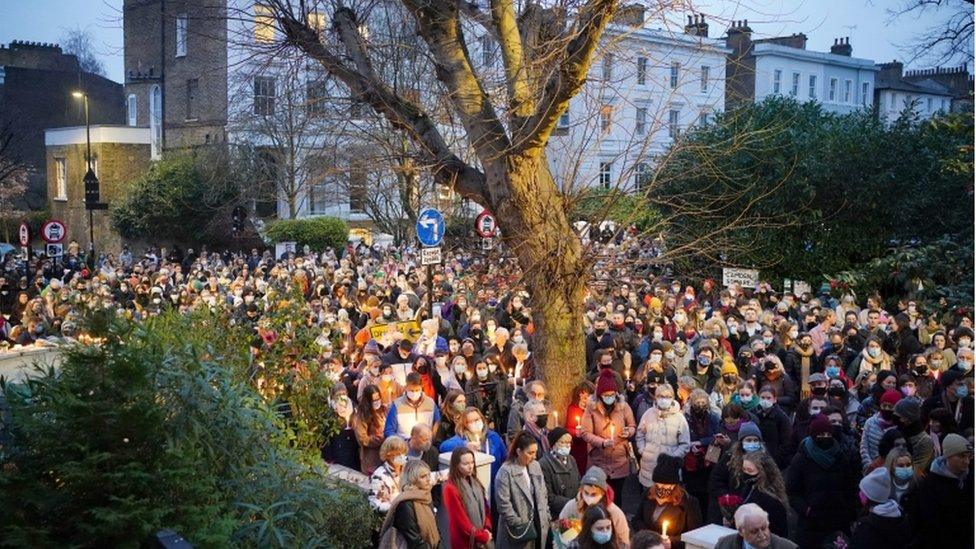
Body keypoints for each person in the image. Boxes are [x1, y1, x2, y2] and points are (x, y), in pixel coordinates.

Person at [785, 414, 858, 548]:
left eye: (827, 433)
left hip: (838, 521)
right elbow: (792, 492)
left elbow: (849, 487)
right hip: (811, 524)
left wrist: (850, 512)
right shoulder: (801, 459)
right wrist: (806, 510)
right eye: (820, 434)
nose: (825, 437)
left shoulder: (840, 456)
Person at [903, 433, 973, 549]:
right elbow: (929, 525)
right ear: (948, 456)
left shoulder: (968, 480)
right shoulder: (930, 486)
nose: (966, 461)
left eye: (969, 456)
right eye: (961, 456)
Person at [581, 369, 637, 507]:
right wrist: (602, 442)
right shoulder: (591, 408)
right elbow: (585, 433)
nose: (609, 398)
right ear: (600, 395)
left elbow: (632, 425)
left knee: (617, 496)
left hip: (619, 460)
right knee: (600, 496)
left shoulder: (624, 407)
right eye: (606, 395)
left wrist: (628, 432)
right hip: (599, 459)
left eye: (612, 395)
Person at [494, 431, 550, 549]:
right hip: (518, 530)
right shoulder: (506, 471)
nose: (534, 456)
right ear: (519, 451)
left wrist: (546, 515)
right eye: (530, 453)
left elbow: (543, 493)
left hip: (538, 521)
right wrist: (518, 523)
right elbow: (503, 504)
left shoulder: (535, 465)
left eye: (535, 452)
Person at [634, 455, 701, 548]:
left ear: (674, 486)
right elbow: (637, 520)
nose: (661, 489)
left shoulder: (689, 503)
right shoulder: (648, 494)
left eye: (666, 486)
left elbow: (694, 535)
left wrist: (672, 542)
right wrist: (650, 537)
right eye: (658, 485)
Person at [558, 466, 631, 548]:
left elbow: (624, 541)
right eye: (586, 493)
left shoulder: (614, 512)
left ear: (602, 493)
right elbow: (560, 535)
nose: (589, 497)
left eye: (594, 494)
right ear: (581, 490)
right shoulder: (571, 507)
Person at [636, 383, 690, 490]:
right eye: (661, 396)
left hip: (669, 471)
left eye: (668, 397)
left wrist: (672, 458)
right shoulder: (648, 414)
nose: (664, 399)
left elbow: (685, 444)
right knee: (649, 502)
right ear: (656, 397)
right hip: (648, 468)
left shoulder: (679, 418)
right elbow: (640, 434)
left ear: (673, 398)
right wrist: (643, 450)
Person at [378, 459, 442, 548]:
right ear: (413, 480)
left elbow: (436, 527)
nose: (428, 479)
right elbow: (413, 539)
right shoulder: (405, 503)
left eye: (428, 475)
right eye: (423, 476)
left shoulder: (426, 496)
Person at [443, 446, 494, 549]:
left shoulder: (474, 481)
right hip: (465, 541)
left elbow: (485, 507)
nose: (470, 466)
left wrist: (487, 527)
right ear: (456, 465)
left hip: (483, 534)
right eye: (465, 464)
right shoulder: (450, 488)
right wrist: (481, 535)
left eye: (472, 462)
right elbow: (460, 520)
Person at [439, 406, 507, 483]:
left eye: (477, 419)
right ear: (465, 424)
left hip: (493, 481)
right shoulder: (462, 438)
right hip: (472, 481)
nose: (476, 423)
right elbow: (443, 446)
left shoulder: (493, 436)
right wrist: (465, 445)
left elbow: (505, 457)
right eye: (471, 421)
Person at [849, 468, 909, 549]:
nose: (860, 493)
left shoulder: (867, 527)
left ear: (868, 497)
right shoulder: (899, 515)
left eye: (862, 491)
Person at [539, 427, 581, 519]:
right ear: (553, 444)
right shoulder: (544, 464)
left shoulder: (572, 459)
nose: (567, 446)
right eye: (562, 442)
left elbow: (579, 482)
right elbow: (548, 495)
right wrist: (571, 504)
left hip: (575, 512)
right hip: (557, 514)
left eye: (569, 443)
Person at [384, 372, 441, 440]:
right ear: (406, 387)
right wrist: (401, 441)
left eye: (417, 390)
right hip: (403, 445)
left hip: (426, 444)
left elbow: (438, 425)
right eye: (411, 390)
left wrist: (431, 438)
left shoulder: (430, 403)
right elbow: (388, 431)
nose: (414, 393)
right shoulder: (397, 405)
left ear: (421, 387)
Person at [714, 503, 797, 549]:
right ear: (741, 531)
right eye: (754, 531)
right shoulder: (724, 545)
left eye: (764, 528)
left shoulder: (788, 547)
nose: (762, 535)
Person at [859, 389, 900, 472]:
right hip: (871, 468)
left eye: (891, 406)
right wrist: (868, 465)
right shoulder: (870, 422)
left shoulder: (899, 426)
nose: (887, 409)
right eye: (884, 406)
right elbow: (864, 446)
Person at [753, 386, 792, 469]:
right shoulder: (753, 414)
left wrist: (777, 459)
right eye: (762, 397)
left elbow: (786, 442)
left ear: (774, 399)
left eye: (768, 398)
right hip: (755, 457)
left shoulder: (782, 417)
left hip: (774, 460)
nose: (765, 400)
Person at [892, 398, 934, 472]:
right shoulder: (894, 432)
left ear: (906, 418)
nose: (893, 417)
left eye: (897, 415)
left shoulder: (924, 441)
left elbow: (918, 470)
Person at [353, 384, 387, 475]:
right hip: (371, 457)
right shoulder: (362, 415)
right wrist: (381, 439)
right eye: (374, 400)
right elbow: (362, 438)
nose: (377, 402)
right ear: (368, 401)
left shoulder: (384, 410)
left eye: (378, 398)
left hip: (385, 454)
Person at [370, 435, 409, 513]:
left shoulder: (408, 469)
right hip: (392, 518)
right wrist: (395, 507)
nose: (401, 456)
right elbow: (374, 505)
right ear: (388, 454)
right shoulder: (378, 476)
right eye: (398, 454)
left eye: (403, 453)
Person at [566, 381, 596, 475]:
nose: (585, 399)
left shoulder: (595, 408)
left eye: (588, 396)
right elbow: (568, 428)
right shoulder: (573, 409)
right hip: (580, 448)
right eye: (583, 396)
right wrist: (575, 432)